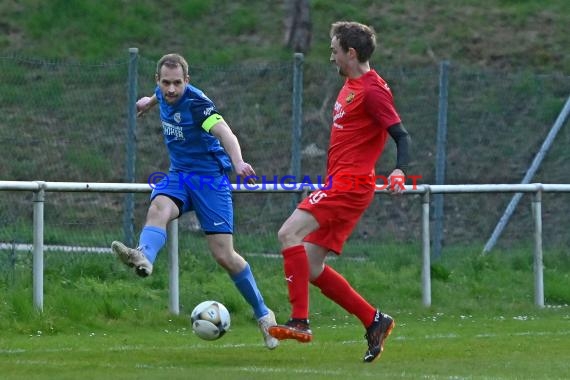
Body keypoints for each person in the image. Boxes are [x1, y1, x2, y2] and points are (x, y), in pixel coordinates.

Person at [111, 53, 278, 350]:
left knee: (224, 255)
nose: (172, 89)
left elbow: (224, 131)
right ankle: (144, 255)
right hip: (179, 175)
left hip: (209, 180)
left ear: (187, 81)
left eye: (177, 83)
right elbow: (158, 98)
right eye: (166, 83)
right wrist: (148, 103)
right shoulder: (162, 95)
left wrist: (238, 162)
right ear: (158, 81)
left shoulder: (198, 104)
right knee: (158, 207)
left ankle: (264, 315)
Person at [268, 21, 411, 363]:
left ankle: (300, 321)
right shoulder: (350, 84)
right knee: (312, 266)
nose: (331, 57)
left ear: (351, 52)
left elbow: (401, 135)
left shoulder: (373, 90)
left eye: (334, 51)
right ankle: (374, 320)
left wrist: (399, 170)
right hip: (340, 184)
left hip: (349, 185)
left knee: (288, 233)